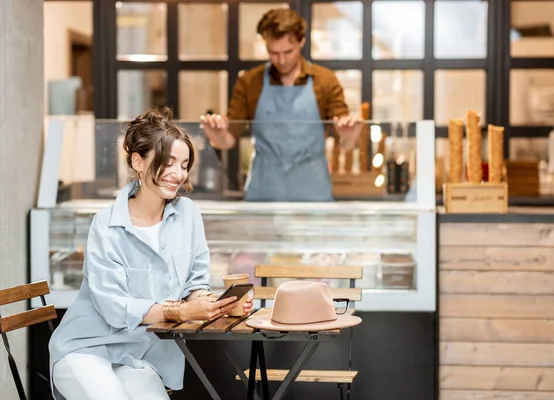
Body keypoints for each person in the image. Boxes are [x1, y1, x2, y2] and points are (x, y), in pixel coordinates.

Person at [48, 107, 253, 400]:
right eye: (168, 163)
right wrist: (181, 311)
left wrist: (217, 304)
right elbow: (113, 307)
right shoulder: (106, 224)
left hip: (141, 352)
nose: (178, 174)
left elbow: (195, 284)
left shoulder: (188, 215)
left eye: (184, 165)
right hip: (85, 348)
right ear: (138, 161)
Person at [201, 8, 362, 202]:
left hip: (312, 193)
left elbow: (345, 141)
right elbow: (228, 139)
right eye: (273, 52)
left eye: (288, 51)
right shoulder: (250, 82)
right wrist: (217, 137)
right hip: (263, 191)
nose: (282, 60)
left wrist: (349, 136)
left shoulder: (326, 80)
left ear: (301, 41)